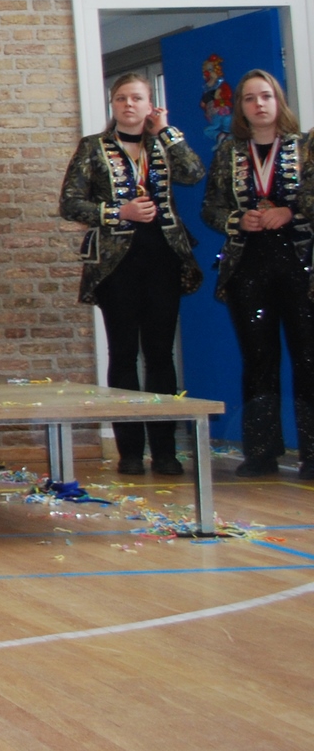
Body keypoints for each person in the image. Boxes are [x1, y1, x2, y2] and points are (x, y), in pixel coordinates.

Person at [59, 72, 206, 476]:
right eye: (122, 98)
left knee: (160, 354)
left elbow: (194, 173)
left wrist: (167, 132)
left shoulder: (164, 144)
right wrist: (116, 212)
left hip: (162, 258)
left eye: (137, 98)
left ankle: (165, 451)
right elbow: (70, 203)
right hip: (116, 264)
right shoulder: (94, 147)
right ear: (113, 104)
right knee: (123, 353)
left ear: (150, 104)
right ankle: (129, 452)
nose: (129, 105)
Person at [201, 69, 311, 478]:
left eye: (266, 96)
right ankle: (261, 452)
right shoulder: (228, 152)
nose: (259, 104)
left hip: (300, 264)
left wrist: (291, 212)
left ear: (278, 101)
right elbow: (210, 208)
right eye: (249, 98)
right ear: (240, 108)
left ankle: (312, 454)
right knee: (258, 359)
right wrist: (237, 220)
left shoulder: (305, 148)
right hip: (248, 267)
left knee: (308, 358)